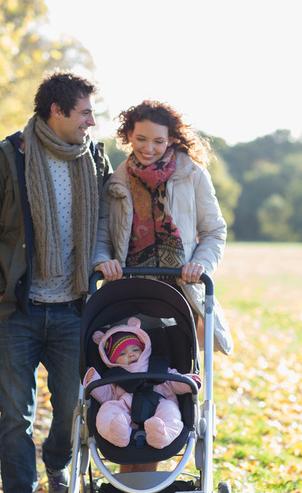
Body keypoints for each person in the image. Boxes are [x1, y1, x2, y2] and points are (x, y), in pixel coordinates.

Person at [0, 70, 111, 493]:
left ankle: (56, 462)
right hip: (19, 312)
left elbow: (114, 212)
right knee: (15, 417)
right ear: (58, 111)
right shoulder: (8, 157)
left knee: (72, 410)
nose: (92, 120)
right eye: (85, 111)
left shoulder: (93, 157)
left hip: (74, 309)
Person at [93, 99, 234, 357]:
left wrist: (200, 265)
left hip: (180, 295)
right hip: (127, 296)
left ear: (170, 139)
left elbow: (214, 231)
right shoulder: (116, 181)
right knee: (128, 373)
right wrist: (103, 261)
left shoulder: (192, 174)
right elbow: (102, 235)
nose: (148, 148)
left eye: (158, 141)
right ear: (129, 136)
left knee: (176, 370)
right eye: (141, 139)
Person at [84, 317, 201, 449]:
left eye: (135, 350)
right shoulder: (115, 376)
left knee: (171, 411)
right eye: (122, 353)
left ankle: (161, 434)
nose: (130, 355)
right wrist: (93, 382)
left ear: (144, 349)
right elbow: (107, 395)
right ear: (112, 360)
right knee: (107, 410)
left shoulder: (158, 366)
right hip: (126, 409)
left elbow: (175, 381)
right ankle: (117, 433)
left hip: (159, 405)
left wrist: (189, 382)